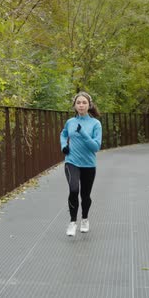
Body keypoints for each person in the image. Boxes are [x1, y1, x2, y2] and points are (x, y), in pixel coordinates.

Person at [60, 91, 102, 236]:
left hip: (89, 164)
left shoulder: (95, 124)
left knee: (85, 195)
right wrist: (63, 145)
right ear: (74, 106)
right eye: (78, 103)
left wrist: (83, 133)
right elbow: (63, 134)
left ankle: (84, 219)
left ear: (89, 105)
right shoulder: (70, 122)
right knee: (73, 190)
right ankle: (72, 222)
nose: (81, 105)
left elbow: (96, 147)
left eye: (84, 102)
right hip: (71, 161)